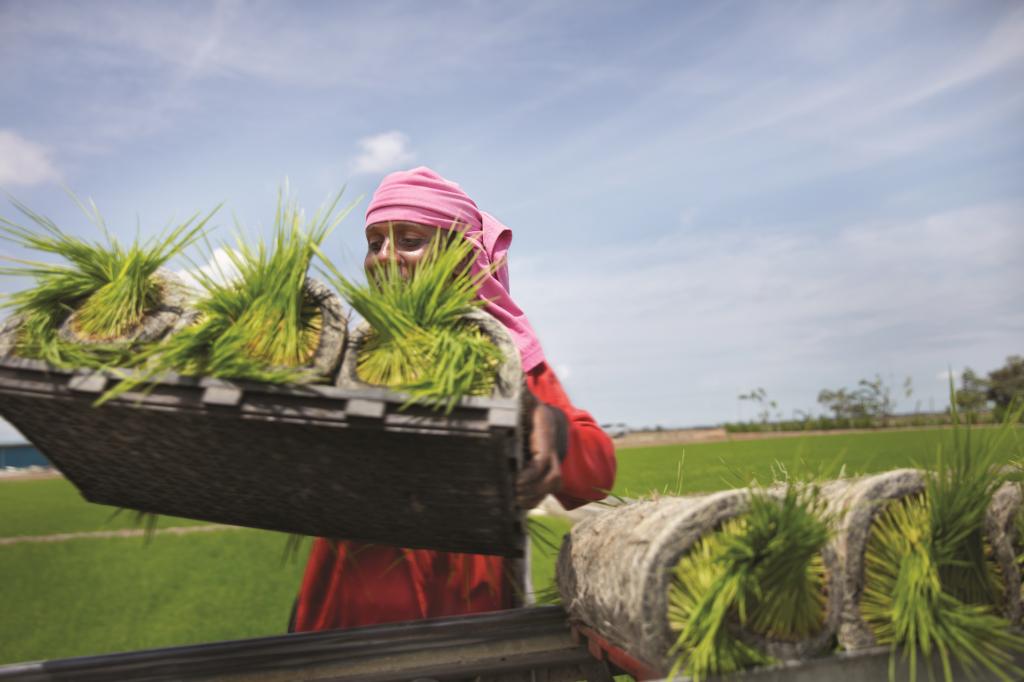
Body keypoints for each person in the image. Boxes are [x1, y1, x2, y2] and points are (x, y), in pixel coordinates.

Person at [291, 167, 616, 631]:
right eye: (375, 242)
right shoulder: (344, 353)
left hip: (469, 622)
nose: (384, 257)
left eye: (408, 239)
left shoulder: (502, 358)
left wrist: (546, 425)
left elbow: (596, 476)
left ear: (459, 256)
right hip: (343, 620)